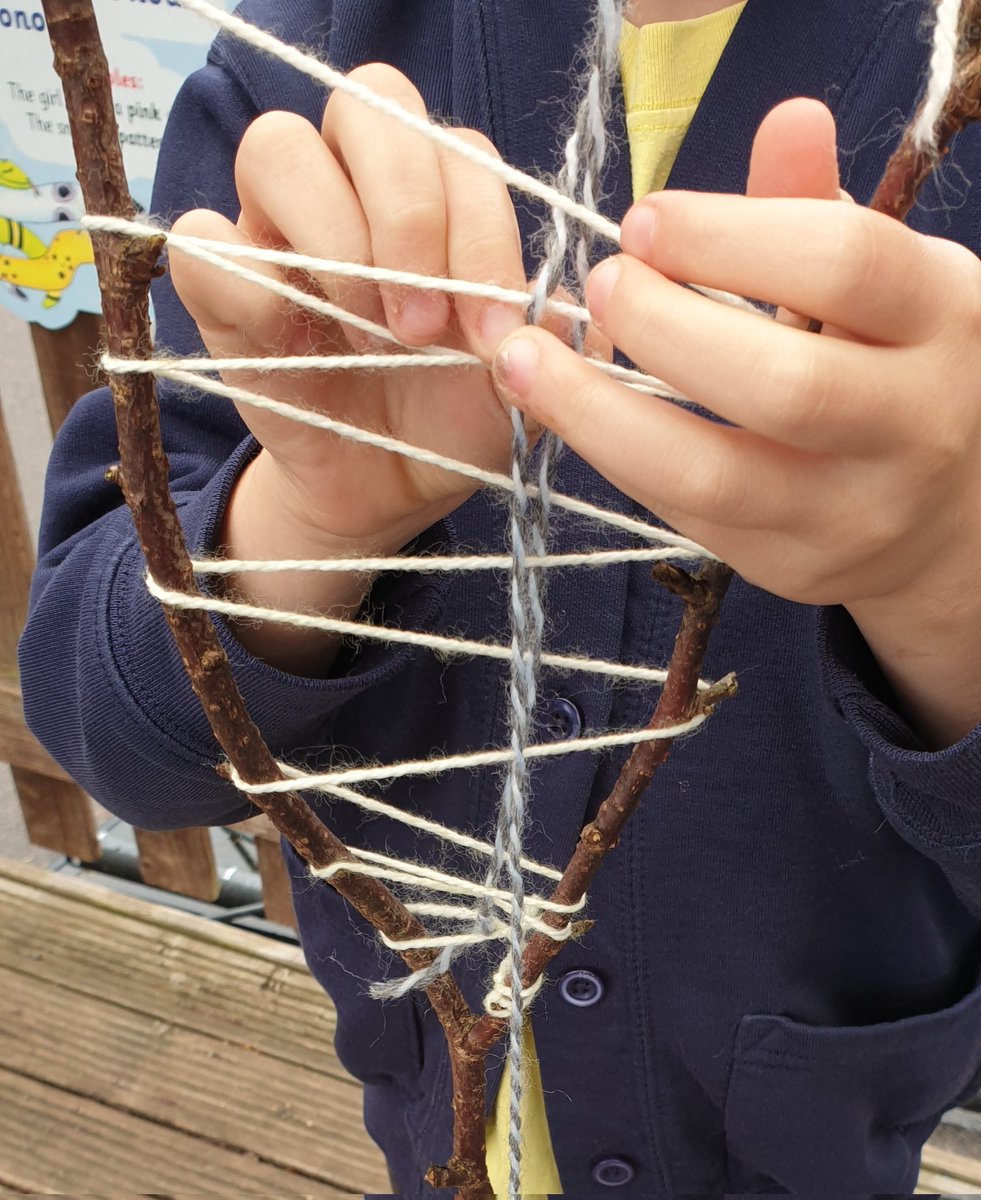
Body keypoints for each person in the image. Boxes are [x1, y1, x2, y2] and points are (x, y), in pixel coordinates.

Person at [19, 0, 981, 1194]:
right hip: (428, 1127)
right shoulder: (309, 57)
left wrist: (948, 590)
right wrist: (311, 523)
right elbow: (112, 725)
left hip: (823, 1145)